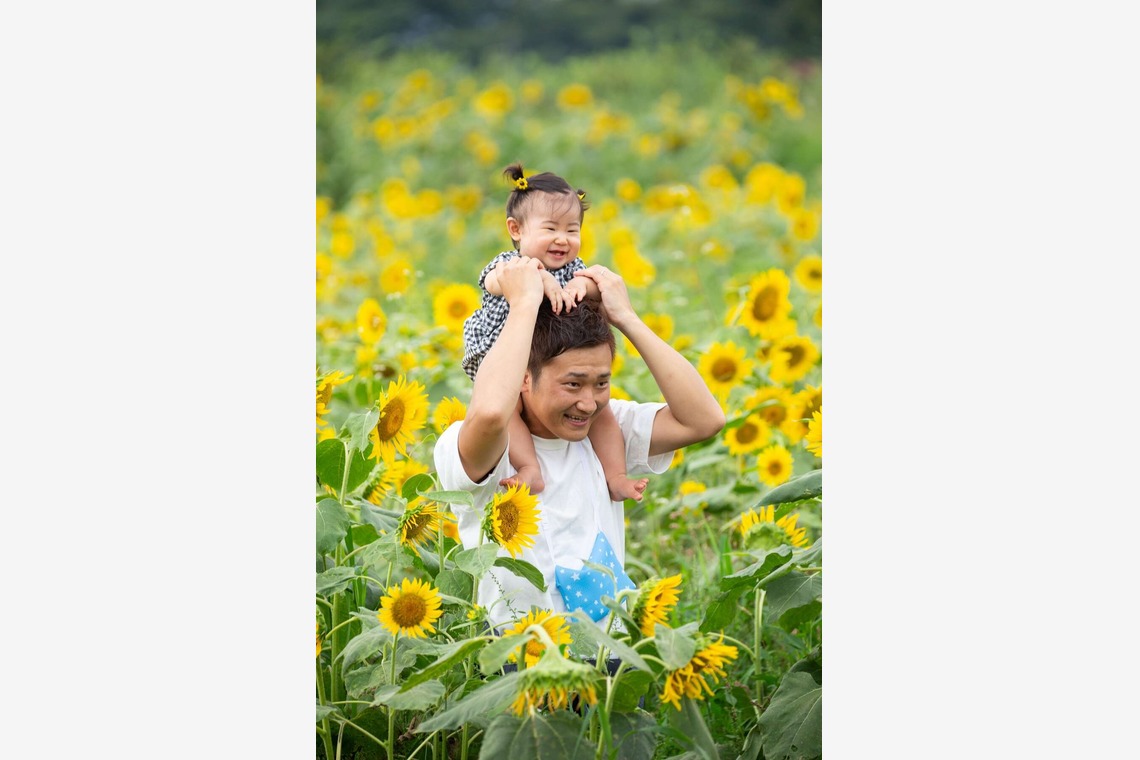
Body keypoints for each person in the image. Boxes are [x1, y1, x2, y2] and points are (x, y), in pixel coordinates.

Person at [436, 257, 726, 631]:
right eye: (572, 384)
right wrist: (524, 304)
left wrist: (628, 320)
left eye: (601, 383)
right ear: (524, 378)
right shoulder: (481, 445)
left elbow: (705, 419)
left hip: (609, 656)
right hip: (516, 658)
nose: (588, 403)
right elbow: (491, 413)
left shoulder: (605, 430)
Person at [462, 163, 648, 503]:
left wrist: (582, 283)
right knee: (511, 413)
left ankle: (616, 476)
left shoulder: (575, 268)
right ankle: (529, 468)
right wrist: (538, 278)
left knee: (601, 412)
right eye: (550, 228)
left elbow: (595, 285)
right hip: (502, 358)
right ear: (516, 230)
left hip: (550, 355)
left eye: (572, 230)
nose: (563, 239)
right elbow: (491, 282)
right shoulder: (509, 264)